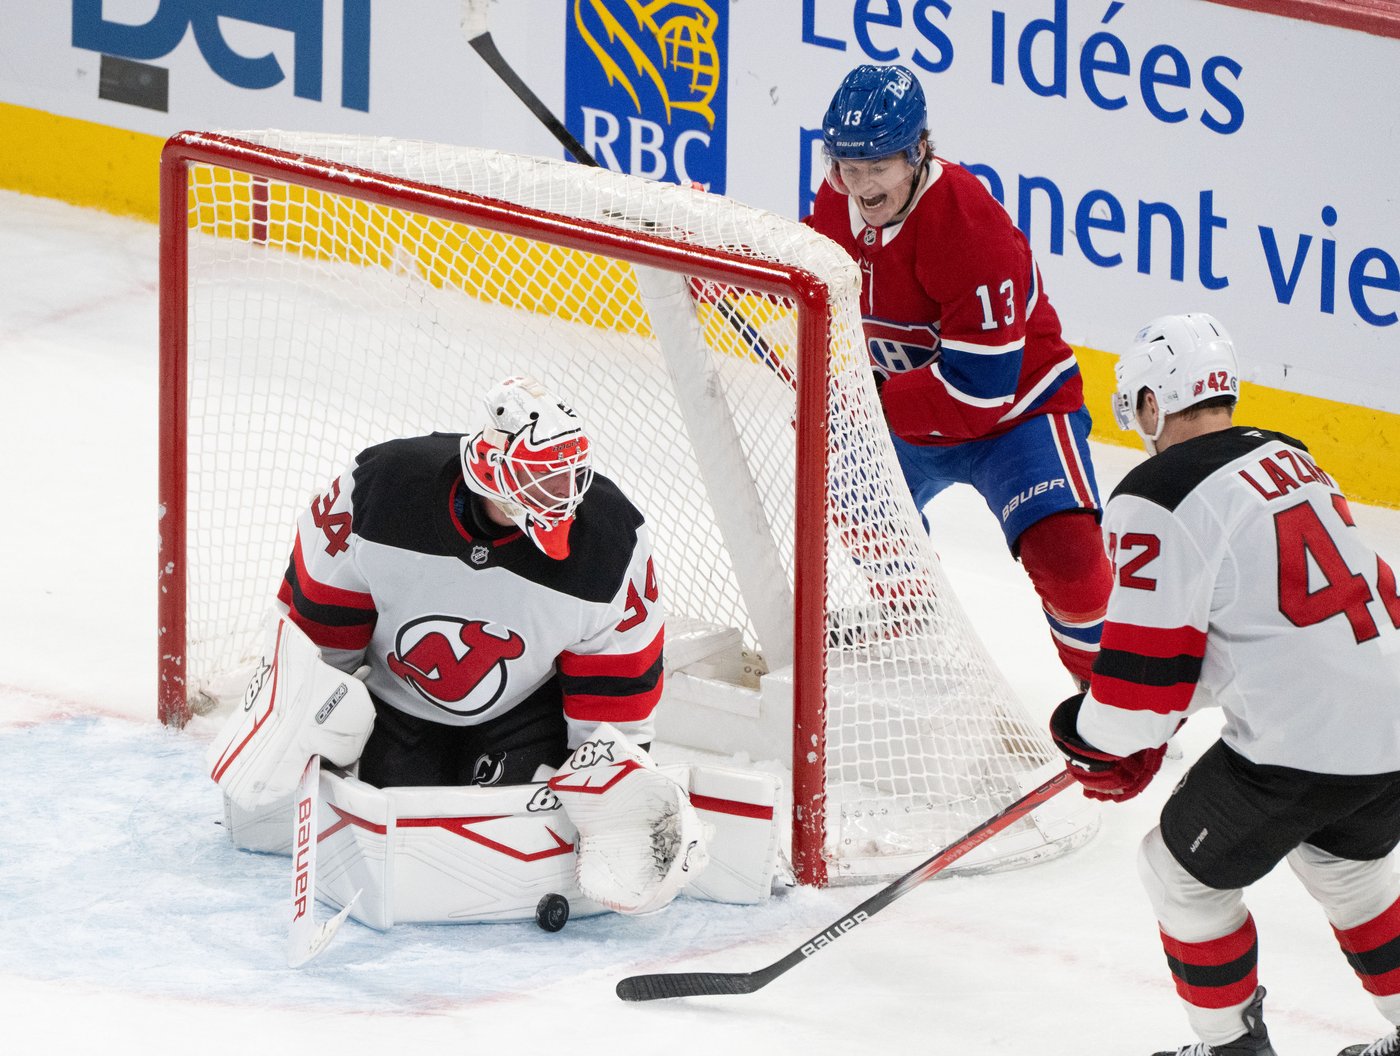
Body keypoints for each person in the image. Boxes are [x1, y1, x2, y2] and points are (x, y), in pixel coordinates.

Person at [1048, 313, 1400, 1056]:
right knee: (1349, 871)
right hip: (1389, 713)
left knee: (1177, 876)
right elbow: (1257, 633)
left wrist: (1087, 732)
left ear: (1152, 403)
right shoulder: (1290, 455)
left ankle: (1230, 1049)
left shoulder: (1157, 493)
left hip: (1305, 740)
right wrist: (1150, 720)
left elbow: (1141, 699)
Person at [805, 63, 1111, 686]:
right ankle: (906, 612)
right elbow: (815, 276)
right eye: (846, 165)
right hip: (910, 410)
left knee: (1072, 567)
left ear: (918, 152)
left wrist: (865, 404)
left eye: (877, 166)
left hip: (1017, 417)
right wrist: (723, 266)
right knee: (846, 488)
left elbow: (980, 392)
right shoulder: (837, 202)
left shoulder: (971, 228)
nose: (859, 185)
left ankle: (1112, 688)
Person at [275, 374, 666, 789]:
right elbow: (318, 634)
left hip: (523, 715)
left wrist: (606, 782)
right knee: (395, 802)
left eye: (570, 472)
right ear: (492, 468)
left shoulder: (609, 540)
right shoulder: (385, 490)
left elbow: (618, 689)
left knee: (512, 823)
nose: (564, 493)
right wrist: (304, 723)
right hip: (392, 707)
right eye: (545, 475)